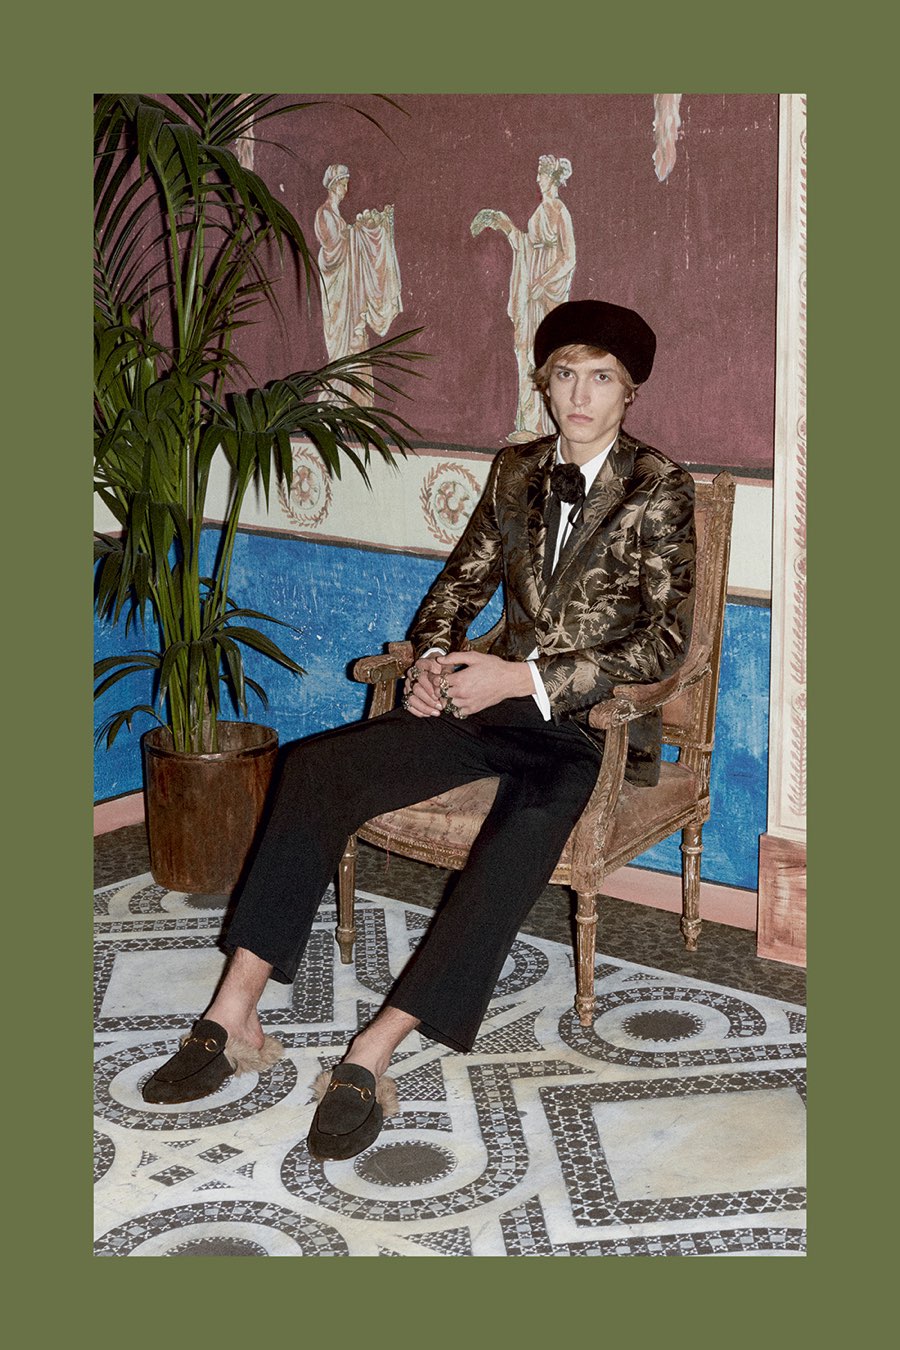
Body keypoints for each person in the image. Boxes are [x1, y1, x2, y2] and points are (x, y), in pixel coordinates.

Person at [143, 299, 696, 1164]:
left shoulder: (660, 486)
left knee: (520, 839)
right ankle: (234, 1011)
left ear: (630, 393)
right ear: (545, 384)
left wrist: (527, 678)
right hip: (488, 701)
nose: (580, 396)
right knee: (315, 769)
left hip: (588, 726)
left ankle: (375, 1049)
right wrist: (433, 660)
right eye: (565, 376)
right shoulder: (516, 469)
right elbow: (459, 584)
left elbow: (665, 642)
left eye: (601, 379)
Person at [471, 154, 576, 440]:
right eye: (538, 173)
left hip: (547, 295)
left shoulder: (559, 211)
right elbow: (527, 246)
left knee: (546, 357)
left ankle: (547, 427)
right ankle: (530, 424)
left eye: (541, 174)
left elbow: (569, 257)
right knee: (525, 352)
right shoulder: (541, 210)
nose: (537, 179)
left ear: (552, 178)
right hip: (532, 294)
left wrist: (543, 282)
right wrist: (504, 224)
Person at [314, 163, 402, 404]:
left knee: (357, 341)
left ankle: (357, 403)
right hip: (337, 291)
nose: (345, 189)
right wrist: (360, 231)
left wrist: (369, 228)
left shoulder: (337, 216)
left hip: (348, 289)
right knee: (343, 346)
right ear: (333, 185)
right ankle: (337, 399)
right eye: (342, 184)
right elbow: (334, 250)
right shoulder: (324, 214)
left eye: (346, 184)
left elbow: (346, 241)